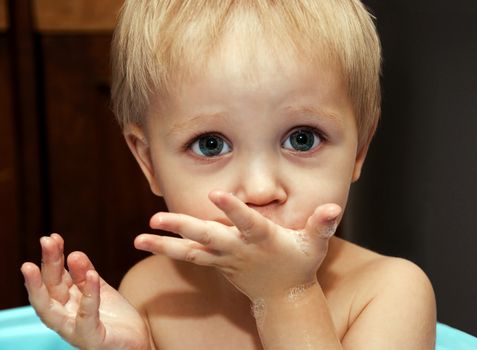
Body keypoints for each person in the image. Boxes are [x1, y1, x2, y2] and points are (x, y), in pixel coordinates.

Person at [20, 0, 437, 349]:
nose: (258, 191)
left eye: (303, 138)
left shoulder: (389, 294)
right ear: (149, 162)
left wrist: (286, 295)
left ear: (360, 149)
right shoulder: (152, 294)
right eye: (211, 144)